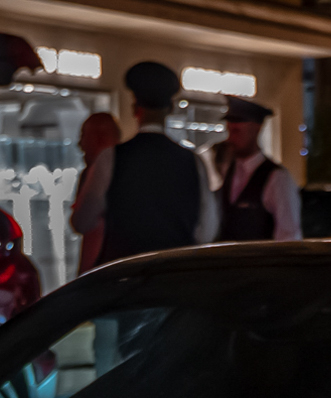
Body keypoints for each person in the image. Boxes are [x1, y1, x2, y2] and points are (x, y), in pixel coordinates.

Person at [72, 61, 216, 265]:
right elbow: (207, 229)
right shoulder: (193, 161)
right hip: (175, 275)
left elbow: (82, 221)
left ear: (135, 108)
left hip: (124, 278)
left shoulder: (112, 157)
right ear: (171, 108)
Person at [210, 96, 301, 242]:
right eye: (230, 127)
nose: (231, 135)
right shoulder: (228, 171)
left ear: (256, 128)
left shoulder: (277, 178)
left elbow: (288, 236)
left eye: (238, 129)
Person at [72, 110, 122, 273]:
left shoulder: (101, 172)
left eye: (84, 136)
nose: (80, 144)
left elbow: (81, 221)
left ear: (100, 138)